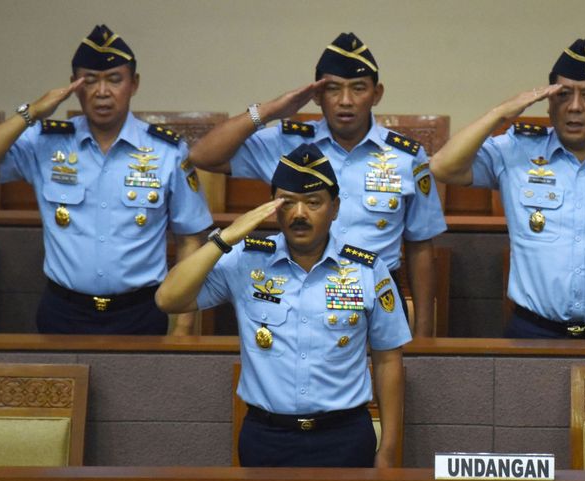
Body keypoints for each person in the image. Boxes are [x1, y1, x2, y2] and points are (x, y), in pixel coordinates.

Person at [155, 143, 410, 467]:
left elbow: (389, 361)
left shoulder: (366, 269)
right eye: (288, 203)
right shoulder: (245, 261)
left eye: (313, 203)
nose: (299, 214)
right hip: (266, 436)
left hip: (345, 436)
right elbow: (168, 299)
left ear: (335, 208)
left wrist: (388, 449)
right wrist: (226, 238)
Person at [187, 32, 446, 337]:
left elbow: (420, 245)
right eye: (333, 89)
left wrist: (425, 334)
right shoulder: (288, 142)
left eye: (358, 89)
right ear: (317, 96)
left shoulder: (406, 157)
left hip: (378, 295)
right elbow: (202, 155)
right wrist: (270, 110)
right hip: (301, 294)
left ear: (376, 94)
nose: (345, 101)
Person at [0, 25, 212, 335]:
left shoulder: (166, 151)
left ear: (134, 84)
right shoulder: (46, 142)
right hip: (63, 312)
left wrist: (184, 326)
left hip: (141, 313)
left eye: (114, 80)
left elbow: (190, 240)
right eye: (89, 81)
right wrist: (33, 111)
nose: (102, 92)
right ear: (73, 87)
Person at [429, 38, 585, 340]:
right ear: (548, 102)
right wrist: (501, 113)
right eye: (564, 95)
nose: (574, 107)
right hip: (532, 331)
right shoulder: (516, 151)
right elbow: (442, 167)